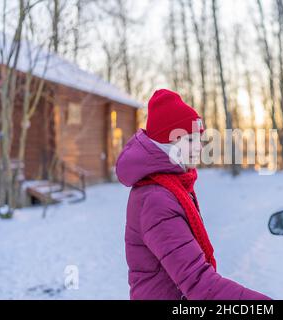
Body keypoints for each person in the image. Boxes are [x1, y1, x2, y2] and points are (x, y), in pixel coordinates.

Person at [115, 89, 272, 300]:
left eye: (199, 138)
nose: (199, 147)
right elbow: (200, 284)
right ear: (166, 145)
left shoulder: (170, 187)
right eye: (189, 140)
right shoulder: (156, 199)